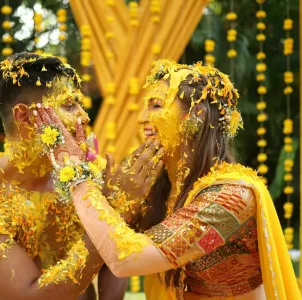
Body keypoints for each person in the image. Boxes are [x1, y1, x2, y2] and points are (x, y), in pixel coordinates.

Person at [32, 60, 301, 299]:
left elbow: (126, 258)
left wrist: (75, 171)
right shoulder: (159, 186)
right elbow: (104, 253)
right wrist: (116, 202)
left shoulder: (229, 198)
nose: (141, 119)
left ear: (196, 115)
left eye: (156, 105)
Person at [0, 52, 141, 300]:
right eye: (69, 105)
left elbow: (115, 264)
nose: (84, 116)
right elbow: (29, 295)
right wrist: (113, 218)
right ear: (24, 117)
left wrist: (119, 212)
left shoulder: (91, 175)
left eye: (80, 104)